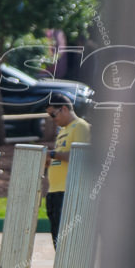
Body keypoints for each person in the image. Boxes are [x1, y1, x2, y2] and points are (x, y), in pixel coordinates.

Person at [44, 93, 91, 248]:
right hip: (55, 192)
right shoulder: (63, 131)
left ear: (64, 109)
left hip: (68, 192)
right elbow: (60, 158)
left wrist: (52, 154)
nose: (52, 119)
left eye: (53, 114)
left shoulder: (80, 126)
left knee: (68, 245)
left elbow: (80, 155)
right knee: (59, 243)